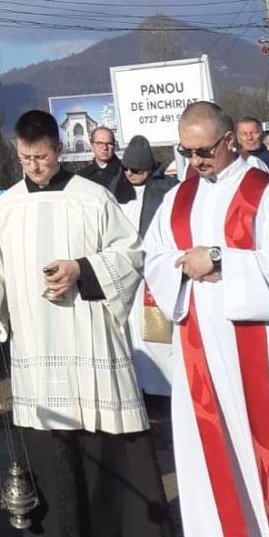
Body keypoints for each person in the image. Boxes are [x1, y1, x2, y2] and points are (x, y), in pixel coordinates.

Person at [0, 110, 185, 537]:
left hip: (90, 349)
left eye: (42, 157)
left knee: (104, 465)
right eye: (25, 158)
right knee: (57, 467)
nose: (35, 166)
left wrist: (81, 270)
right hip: (37, 355)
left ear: (57, 149)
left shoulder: (92, 197)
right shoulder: (7, 208)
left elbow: (131, 254)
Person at [144, 100, 269, 537]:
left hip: (261, 364)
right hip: (200, 359)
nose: (195, 160)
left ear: (230, 139)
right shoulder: (178, 199)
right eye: (186, 151)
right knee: (212, 471)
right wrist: (179, 267)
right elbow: (154, 256)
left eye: (203, 150)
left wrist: (222, 259)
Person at [115, 135, 177, 406]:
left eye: (137, 170)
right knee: (130, 334)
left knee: (157, 333)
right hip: (128, 275)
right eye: (126, 169)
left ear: (149, 169)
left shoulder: (166, 190)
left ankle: (164, 386)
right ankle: (136, 386)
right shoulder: (115, 191)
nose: (130, 174)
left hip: (154, 275)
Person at [78, 126, 125, 200]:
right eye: (99, 143)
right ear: (91, 146)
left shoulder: (126, 172)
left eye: (109, 143)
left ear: (114, 145)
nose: (105, 148)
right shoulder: (82, 176)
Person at [235, 116, 269, 182]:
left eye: (254, 133)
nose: (249, 138)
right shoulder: (230, 161)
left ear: (261, 134)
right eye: (244, 134)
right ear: (238, 138)